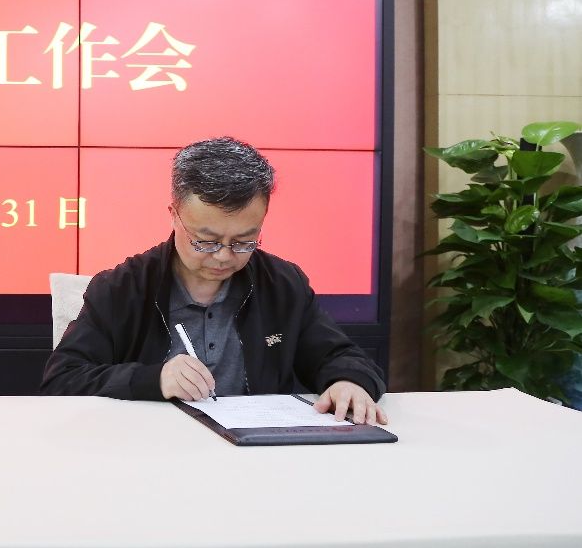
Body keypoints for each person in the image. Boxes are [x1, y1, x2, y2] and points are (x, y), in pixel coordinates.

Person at [41, 137, 387, 425]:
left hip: (258, 456)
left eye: (244, 241)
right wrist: (154, 379)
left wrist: (349, 382)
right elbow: (62, 379)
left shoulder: (282, 285)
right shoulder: (123, 288)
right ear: (174, 215)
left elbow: (339, 356)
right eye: (205, 241)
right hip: (150, 451)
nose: (223, 256)